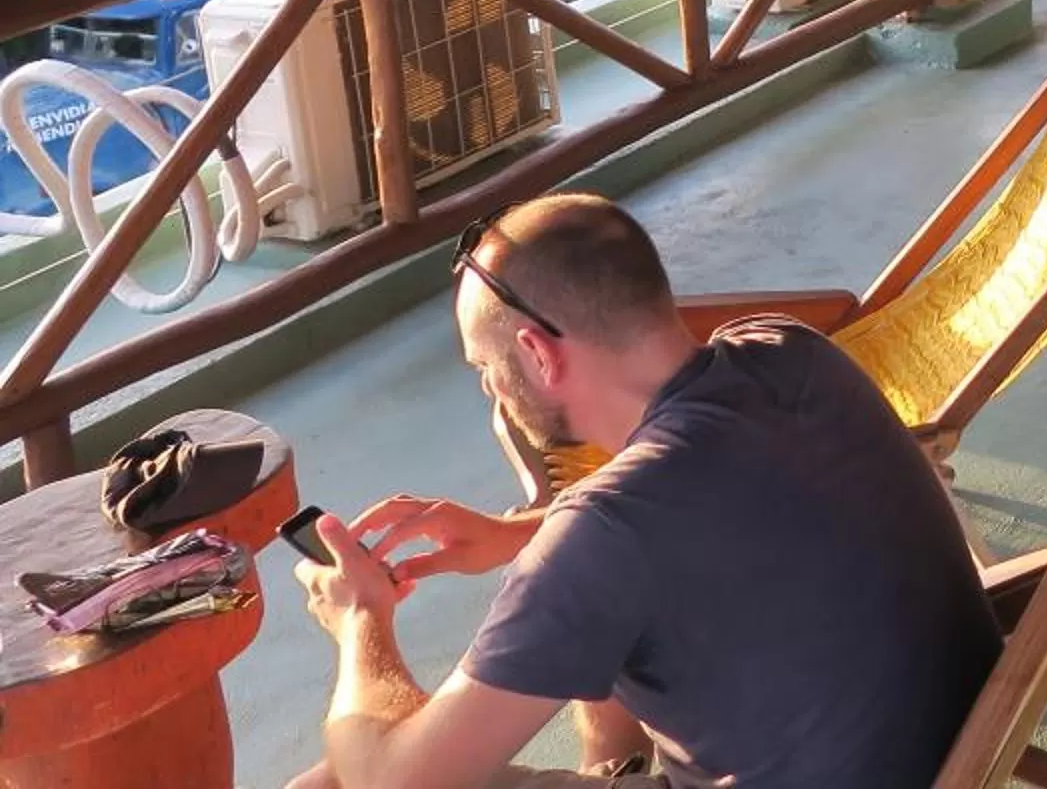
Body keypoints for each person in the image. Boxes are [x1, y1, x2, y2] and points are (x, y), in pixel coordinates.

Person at [287, 194, 999, 789]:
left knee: (329, 782)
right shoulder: (790, 353)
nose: (491, 387)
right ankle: (616, 766)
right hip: (952, 747)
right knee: (609, 655)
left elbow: (395, 781)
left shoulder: (603, 538)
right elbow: (709, 503)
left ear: (537, 353)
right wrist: (514, 536)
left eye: (486, 367)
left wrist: (361, 621)